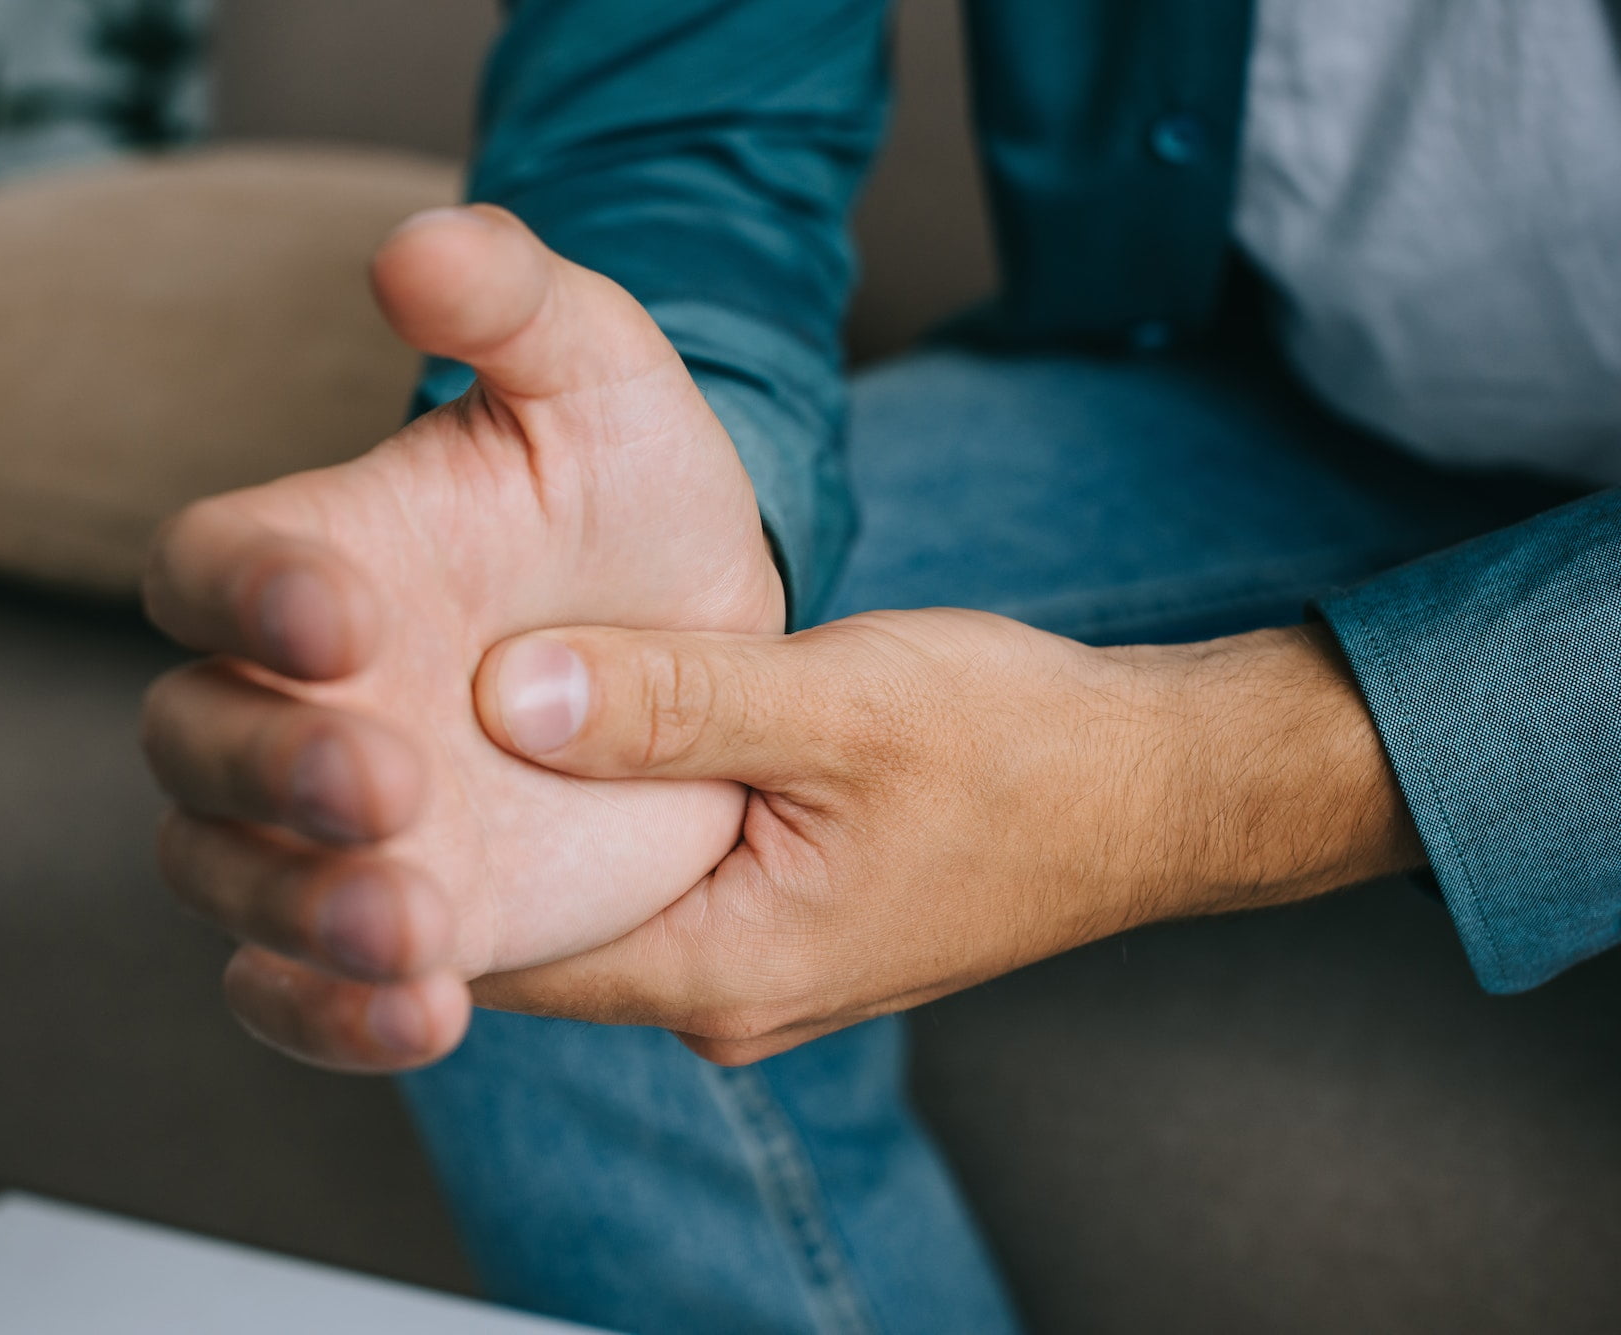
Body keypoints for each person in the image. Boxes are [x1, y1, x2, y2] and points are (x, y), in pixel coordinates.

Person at [137, 2, 1620, 1330]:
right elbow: (690, 103)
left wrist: (1187, 779)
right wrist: (641, 441)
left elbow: (1207, 778)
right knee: (526, 752)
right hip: (1294, 409)